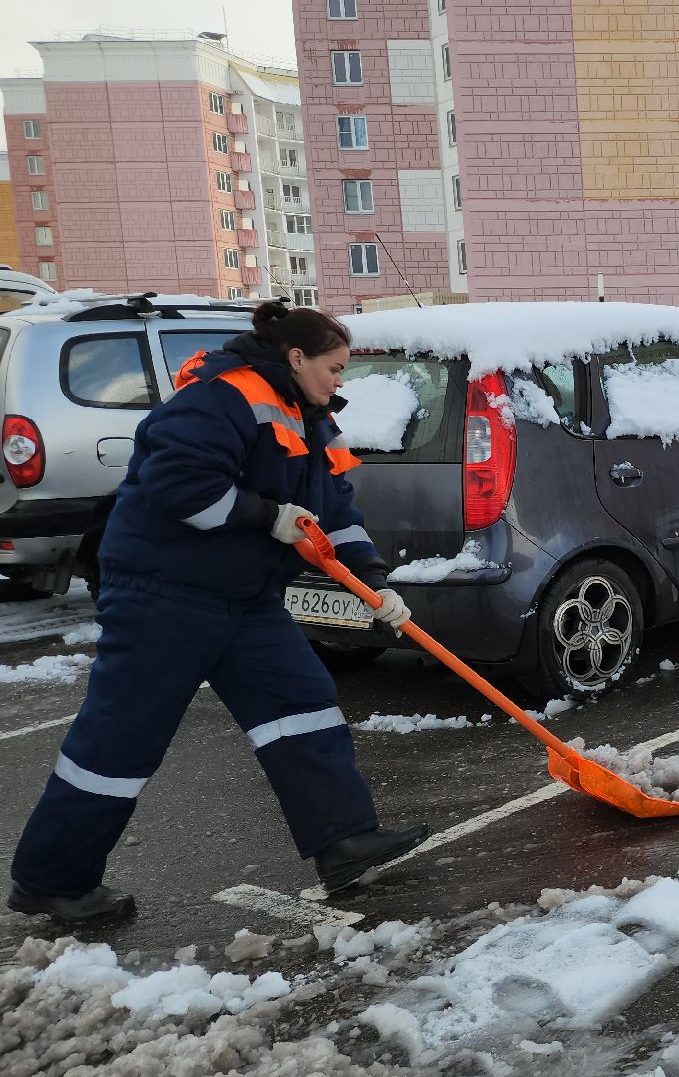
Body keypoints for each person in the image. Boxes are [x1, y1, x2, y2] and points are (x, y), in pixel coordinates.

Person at [7, 302, 429, 926]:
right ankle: (51, 880)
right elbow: (177, 486)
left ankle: (344, 840)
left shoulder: (312, 418)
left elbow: (334, 509)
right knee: (123, 736)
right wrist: (267, 515)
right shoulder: (220, 397)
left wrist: (371, 578)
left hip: (244, 597)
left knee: (301, 703)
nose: (341, 381)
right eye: (335, 367)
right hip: (163, 593)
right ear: (296, 358)